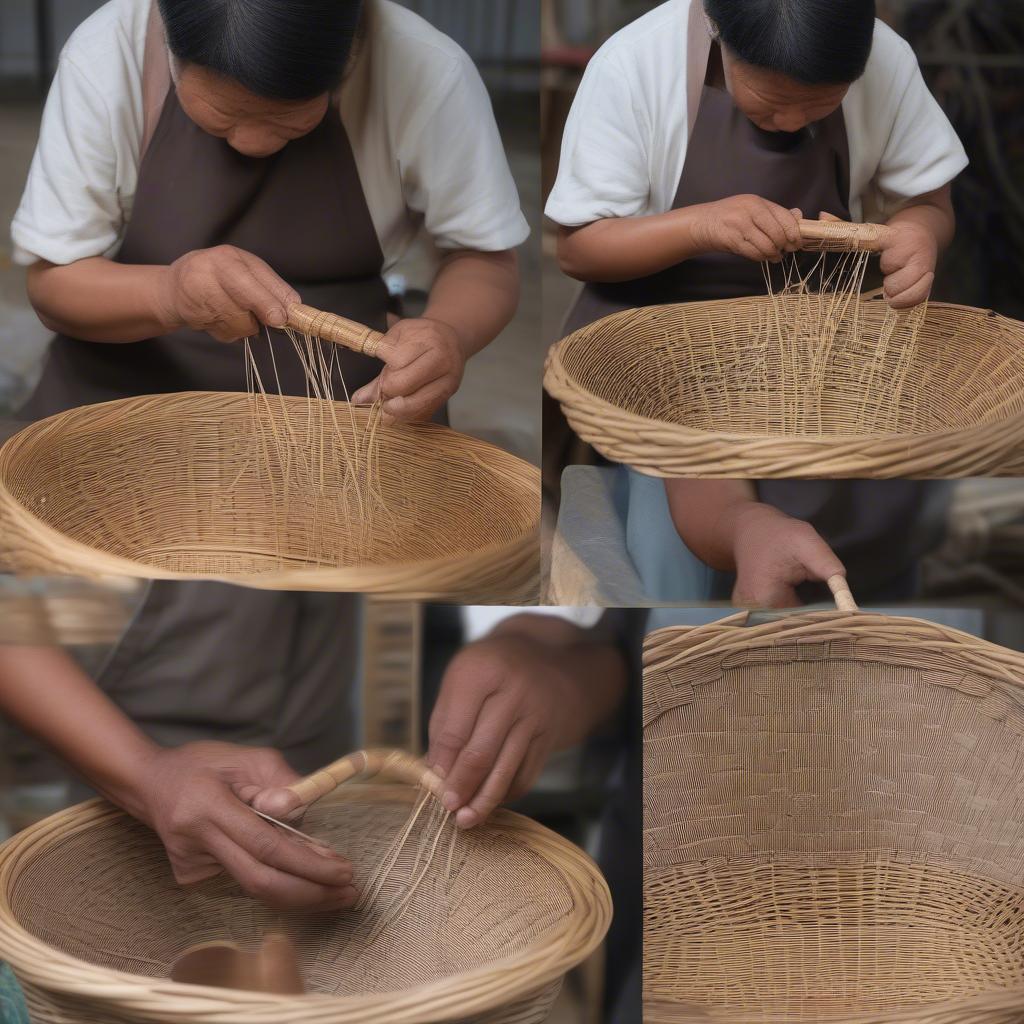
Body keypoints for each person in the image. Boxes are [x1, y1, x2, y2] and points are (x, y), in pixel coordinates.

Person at [546, 0, 967, 604]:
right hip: (664, 339)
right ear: (720, 33)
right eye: (770, 102)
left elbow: (930, 202)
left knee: (883, 515)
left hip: (822, 338)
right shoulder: (634, 63)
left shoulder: (887, 60)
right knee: (668, 542)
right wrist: (701, 226)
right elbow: (579, 248)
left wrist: (921, 235)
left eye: (822, 104)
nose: (794, 122)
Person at [13, 0, 527, 420]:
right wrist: (169, 294)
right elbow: (54, 282)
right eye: (223, 116)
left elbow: (483, 257)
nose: (253, 143)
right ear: (173, 46)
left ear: (347, 53)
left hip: (342, 410)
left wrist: (449, 333)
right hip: (122, 399)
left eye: (288, 118)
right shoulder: (108, 55)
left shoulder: (428, 69)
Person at [0, 611, 627, 909]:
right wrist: (141, 771)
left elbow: (590, 639)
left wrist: (544, 661)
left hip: (304, 747)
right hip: (109, 744)